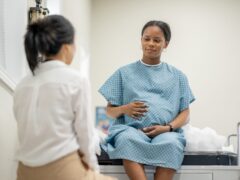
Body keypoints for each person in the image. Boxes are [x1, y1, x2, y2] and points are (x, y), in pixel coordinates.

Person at [14, 15, 115, 180]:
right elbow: (85, 135)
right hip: (62, 170)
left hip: (24, 172)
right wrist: (93, 170)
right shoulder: (75, 80)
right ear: (67, 47)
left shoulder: (23, 84)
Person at [99, 20, 195, 180]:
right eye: (146, 38)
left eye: (157, 40)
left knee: (172, 144)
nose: (151, 44)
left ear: (166, 44)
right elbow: (108, 112)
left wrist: (168, 128)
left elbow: (185, 112)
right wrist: (124, 109)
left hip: (165, 132)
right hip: (132, 130)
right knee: (127, 140)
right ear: (141, 40)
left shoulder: (178, 76)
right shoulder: (124, 73)